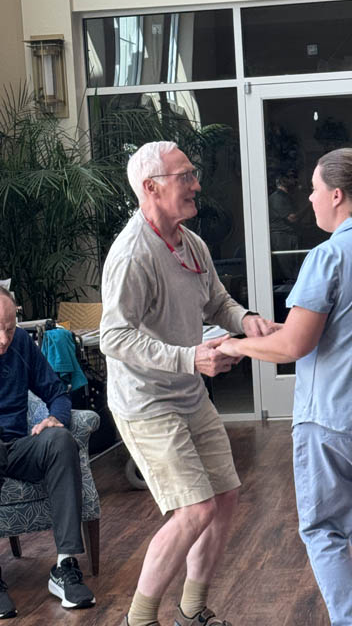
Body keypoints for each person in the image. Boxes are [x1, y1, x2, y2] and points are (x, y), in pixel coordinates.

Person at [218, 148, 352, 626]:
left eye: (314, 190)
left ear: (336, 195)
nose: (309, 199)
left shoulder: (328, 255)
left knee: (323, 530)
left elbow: (294, 346)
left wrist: (234, 347)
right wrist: (278, 335)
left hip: (338, 419)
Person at [99, 141, 277, 626]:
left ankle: (193, 612)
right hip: (146, 403)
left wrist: (247, 319)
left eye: (193, 174)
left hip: (187, 393)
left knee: (225, 497)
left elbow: (216, 300)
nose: (196, 184)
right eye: (185, 176)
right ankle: (138, 619)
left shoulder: (190, 242)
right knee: (195, 509)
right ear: (151, 188)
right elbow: (112, 337)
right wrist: (188, 357)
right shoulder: (133, 254)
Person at [0, 287, 95, 619]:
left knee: (60, 440)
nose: (3, 338)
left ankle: (65, 566)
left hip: (19, 447)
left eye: (10, 328)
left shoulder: (22, 345)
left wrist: (56, 417)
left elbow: (57, 392)